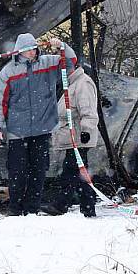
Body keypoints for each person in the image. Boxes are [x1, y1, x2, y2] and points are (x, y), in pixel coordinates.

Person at [0, 33, 77, 216]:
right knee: (17, 172)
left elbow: (71, 62)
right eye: (28, 49)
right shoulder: (7, 73)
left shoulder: (48, 63)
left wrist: (62, 46)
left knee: (39, 171)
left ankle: (32, 209)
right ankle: (15, 209)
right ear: (19, 51)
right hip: (17, 131)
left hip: (43, 128)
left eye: (34, 48)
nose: (32, 52)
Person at [44, 65, 99, 217]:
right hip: (73, 137)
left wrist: (86, 129)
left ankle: (60, 205)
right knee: (80, 173)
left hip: (79, 137)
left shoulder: (83, 83)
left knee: (70, 170)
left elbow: (87, 110)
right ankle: (88, 207)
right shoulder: (72, 84)